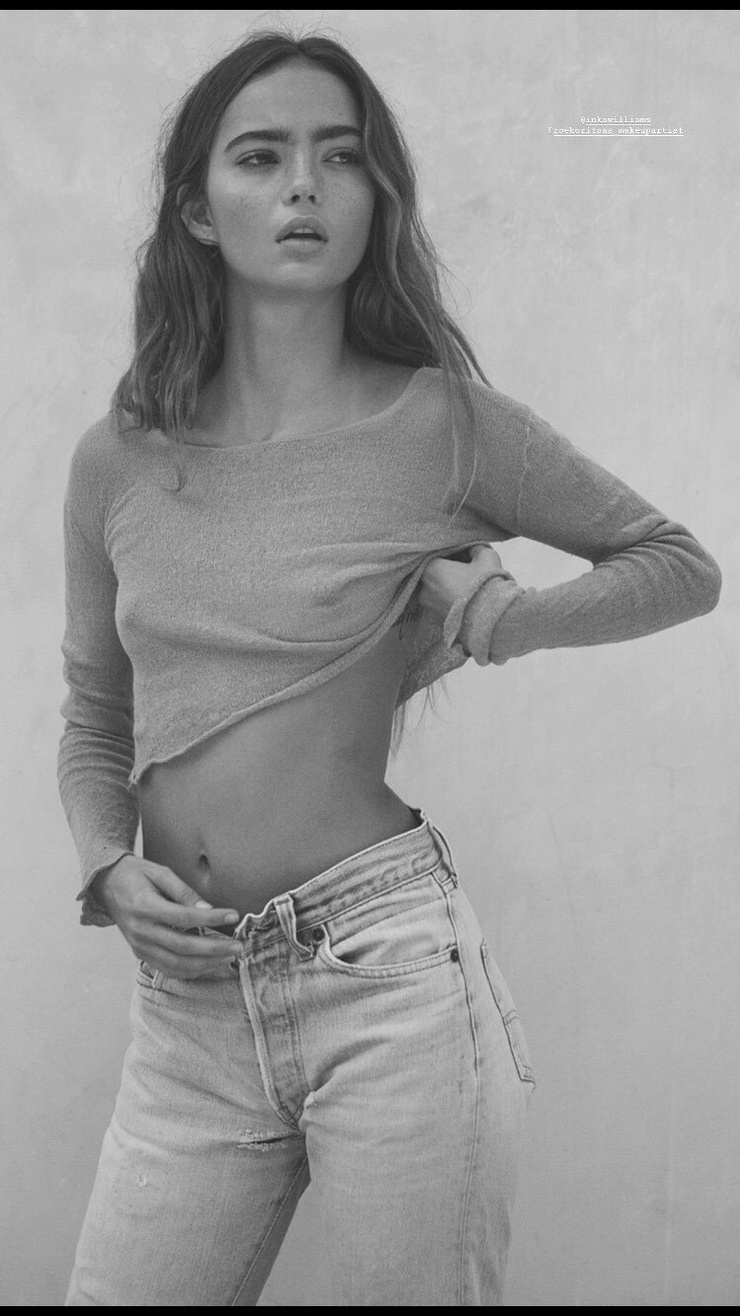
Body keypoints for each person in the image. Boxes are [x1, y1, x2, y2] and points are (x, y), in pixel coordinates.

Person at [58, 29, 721, 1308]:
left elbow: (677, 563)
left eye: (341, 156)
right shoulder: (117, 456)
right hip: (188, 1010)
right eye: (261, 157)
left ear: (376, 197)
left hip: (385, 980)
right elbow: (95, 710)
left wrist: (502, 618)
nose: (304, 185)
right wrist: (104, 865)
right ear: (196, 207)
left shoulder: (444, 425)